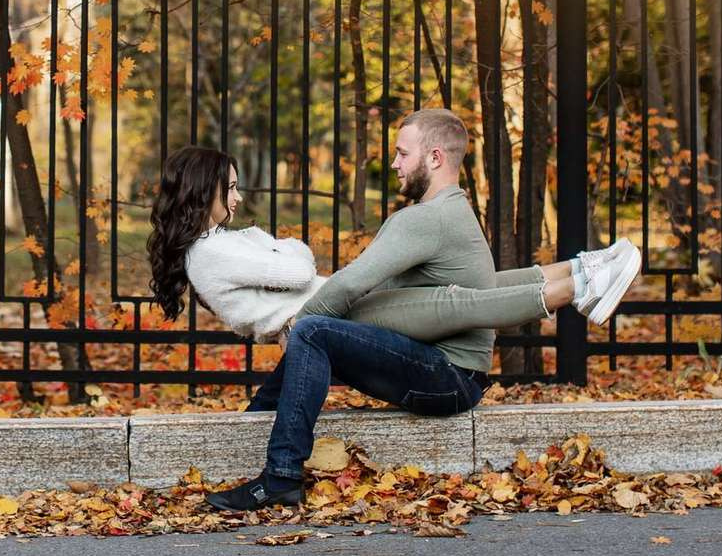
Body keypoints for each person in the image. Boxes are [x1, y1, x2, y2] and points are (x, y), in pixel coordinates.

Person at [144, 114, 640, 512]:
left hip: (444, 378)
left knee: (316, 332)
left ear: (435, 155)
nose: (395, 163)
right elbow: (305, 274)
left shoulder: (427, 218)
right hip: (443, 371)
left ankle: (280, 477)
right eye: (228, 187)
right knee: (316, 335)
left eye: (402, 153)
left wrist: (303, 318)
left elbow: (323, 279)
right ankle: (585, 273)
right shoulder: (443, 212)